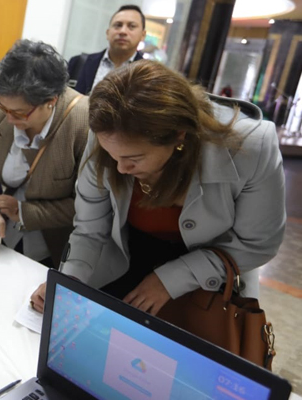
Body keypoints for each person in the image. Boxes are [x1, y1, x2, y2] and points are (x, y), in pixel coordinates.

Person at [30, 61, 286, 316]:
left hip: (212, 279)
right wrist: (69, 280)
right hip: (126, 259)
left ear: (179, 137)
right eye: (112, 155)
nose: (120, 169)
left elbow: (257, 243)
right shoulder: (108, 132)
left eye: (135, 158)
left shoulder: (251, 147)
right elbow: (90, 229)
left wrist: (171, 278)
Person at [0, 39, 89, 268]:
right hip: (5, 239)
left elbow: (88, 207)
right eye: (4, 108)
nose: (9, 118)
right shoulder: (0, 107)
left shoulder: (83, 122)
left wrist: (24, 211)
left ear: (51, 101)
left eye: (20, 113)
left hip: (57, 249)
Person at [68, 4, 146, 95]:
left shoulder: (148, 75)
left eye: (131, 26)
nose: (123, 31)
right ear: (108, 33)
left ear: (143, 35)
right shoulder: (79, 63)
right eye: (118, 25)